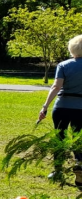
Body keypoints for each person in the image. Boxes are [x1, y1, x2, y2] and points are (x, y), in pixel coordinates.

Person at [38, 34, 82, 187]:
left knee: (59, 137)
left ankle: (57, 170)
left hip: (62, 106)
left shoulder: (63, 65)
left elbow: (56, 87)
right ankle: (79, 165)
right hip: (80, 108)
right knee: (78, 138)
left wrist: (45, 107)